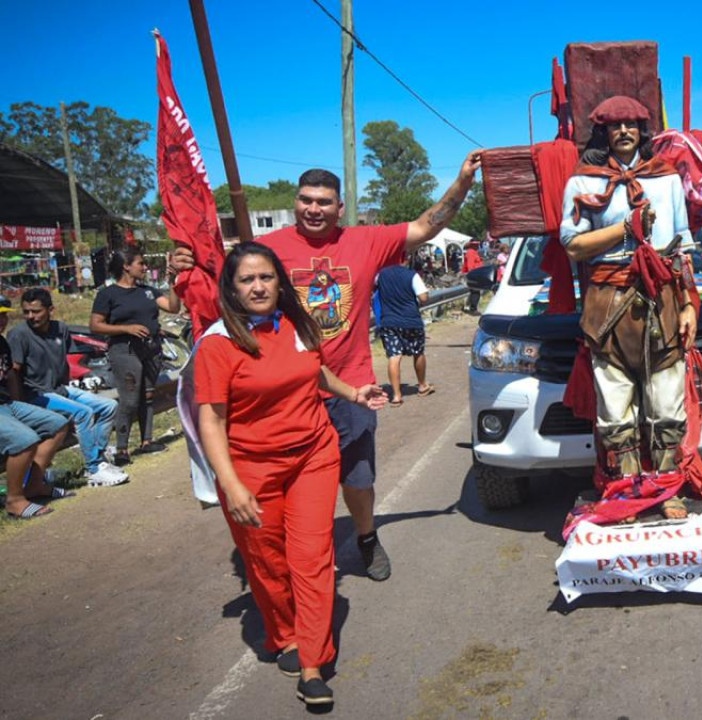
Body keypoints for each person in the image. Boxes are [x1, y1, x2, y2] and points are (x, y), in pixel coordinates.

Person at [173, 153, 481, 581]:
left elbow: (426, 226)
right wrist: (184, 269)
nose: (313, 209)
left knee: (357, 478)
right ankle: (282, 559)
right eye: (305, 200)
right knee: (284, 483)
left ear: (340, 207)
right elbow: (221, 287)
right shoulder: (269, 248)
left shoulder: (365, 241)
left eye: (324, 202)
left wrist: (463, 181)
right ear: (296, 202)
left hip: (350, 385)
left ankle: (367, 539)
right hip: (286, 391)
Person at [197, 242, 386, 706]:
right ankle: (284, 634)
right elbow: (211, 420)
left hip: (313, 456)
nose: (258, 286)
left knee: (311, 556)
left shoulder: (298, 323)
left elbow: (316, 373)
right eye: (247, 279)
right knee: (265, 560)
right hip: (250, 469)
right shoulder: (218, 343)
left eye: (266, 277)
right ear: (232, 288)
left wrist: (353, 393)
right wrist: (232, 483)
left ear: (280, 281)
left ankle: (313, 665)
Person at [560, 95, 702, 523]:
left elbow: (681, 250)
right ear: (603, 132)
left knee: (666, 404)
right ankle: (626, 492)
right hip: (607, 302)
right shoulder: (583, 182)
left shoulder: (667, 180)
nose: (624, 132)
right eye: (615, 125)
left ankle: (664, 491)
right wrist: (623, 229)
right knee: (615, 408)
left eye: (632, 125)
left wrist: (688, 306)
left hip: (661, 298)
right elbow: (573, 245)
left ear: (643, 131)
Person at [9, 288, 128, 487]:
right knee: (83, 413)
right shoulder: (18, 335)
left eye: (36, 311)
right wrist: (19, 405)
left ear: (50, 310)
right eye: (26, 311)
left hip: (59, 389)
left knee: (109, 406)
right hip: (35, 394)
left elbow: (66, 360)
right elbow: (14, 372)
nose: (31, 316)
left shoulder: (61, 329)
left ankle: (99, 458)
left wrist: (73, 385)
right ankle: (94, 468)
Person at [90, 247, 182, 465]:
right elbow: (95, 325)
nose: (145, 267)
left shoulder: (147, 291)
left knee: (148, 396)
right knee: (130, 399)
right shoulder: (108, 294)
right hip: (124, 351)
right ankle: (122, 450)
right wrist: (126, 329)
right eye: (140, 263)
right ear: (126, 266)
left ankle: (147, 441)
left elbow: (173, 307)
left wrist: (173, 282)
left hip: (150, 350)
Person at [1, 296, 74, 519]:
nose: (2, 319)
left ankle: (34, 485)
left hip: (7, 404)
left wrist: (19, 405)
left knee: (58, 423)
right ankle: (14, 500)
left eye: (3, 314)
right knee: (25, 439)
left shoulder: (1, 342)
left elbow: (12, 375)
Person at [375, 261, 433, 406]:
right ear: (405, 260)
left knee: (394, 356)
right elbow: (423, 298)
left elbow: (371, 289)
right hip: (411, 320)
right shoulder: (411, 275)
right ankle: (422, 385)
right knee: (418, 352)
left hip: (389, 321)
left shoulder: (380, 275)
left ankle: (396, 395)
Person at [461, 240, 484, 313]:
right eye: (475, 244)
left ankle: (473, 307)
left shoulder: (474, 252)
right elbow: (470, 265)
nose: (477, 246)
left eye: (477, 244)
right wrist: (473, 275)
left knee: (475, 292)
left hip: (476, 274)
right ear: (471, 245)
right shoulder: (471, 252)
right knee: (475, 292)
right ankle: (473, 309)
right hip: (473, 274)